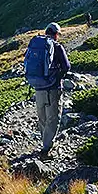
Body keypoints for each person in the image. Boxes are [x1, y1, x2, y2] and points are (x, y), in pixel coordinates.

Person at [29, 22, 71, 157]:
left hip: (38, 87)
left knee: (42, 117)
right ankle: (46, 149)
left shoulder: (37, 44)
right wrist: (58, 77)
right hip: (53, 88)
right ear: (56, 34)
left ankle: (44, 142)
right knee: (53, 118)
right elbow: (66, 66)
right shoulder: (57, 47)